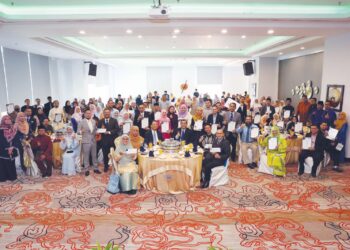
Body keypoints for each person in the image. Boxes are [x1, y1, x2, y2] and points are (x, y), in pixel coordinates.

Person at [78, 110, 101, 176]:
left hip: (93, 141)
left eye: (89, 113)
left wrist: (99, 131)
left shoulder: (93, 121)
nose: (88, 114)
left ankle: (95, 168)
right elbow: (77, 132)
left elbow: (95, 130)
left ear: (91, 114)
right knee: (86, 156)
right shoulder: (81, 122)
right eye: (87, 113)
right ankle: (86, 169)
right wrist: (80, 131)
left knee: (94, 155)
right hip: (85, 141)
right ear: (84, 114)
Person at [0, 115, 20, 182]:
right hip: (3, 149)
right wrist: (7, 148)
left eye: (9, 119)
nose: (8, 120)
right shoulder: (1, 130)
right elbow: (1, 140)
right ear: (3, 120)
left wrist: (12, 147)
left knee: (11, 163)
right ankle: (3, 178)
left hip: (12, 148)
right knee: (3, 164)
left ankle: (12, 177)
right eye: (6, 119)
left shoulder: (14, 129)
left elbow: (16, 139)